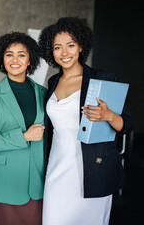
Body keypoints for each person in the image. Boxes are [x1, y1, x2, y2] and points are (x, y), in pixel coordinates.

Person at [38, 17, 132, 225]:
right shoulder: (53, 82)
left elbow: (127, 124)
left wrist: (109, 116)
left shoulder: (101, 78)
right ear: (50, 52)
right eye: (57, 47)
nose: (65, 53)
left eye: (70, 45)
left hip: (93, 171)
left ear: (80, 46)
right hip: (57, 169)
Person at [0, 32, 46, 225]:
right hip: (3, 183)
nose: (15, 59)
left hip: (36, 182)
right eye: (9, 54)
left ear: (30, 60)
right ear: (2, 58)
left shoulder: (43, 93)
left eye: (21, 55)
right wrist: (24, 136)